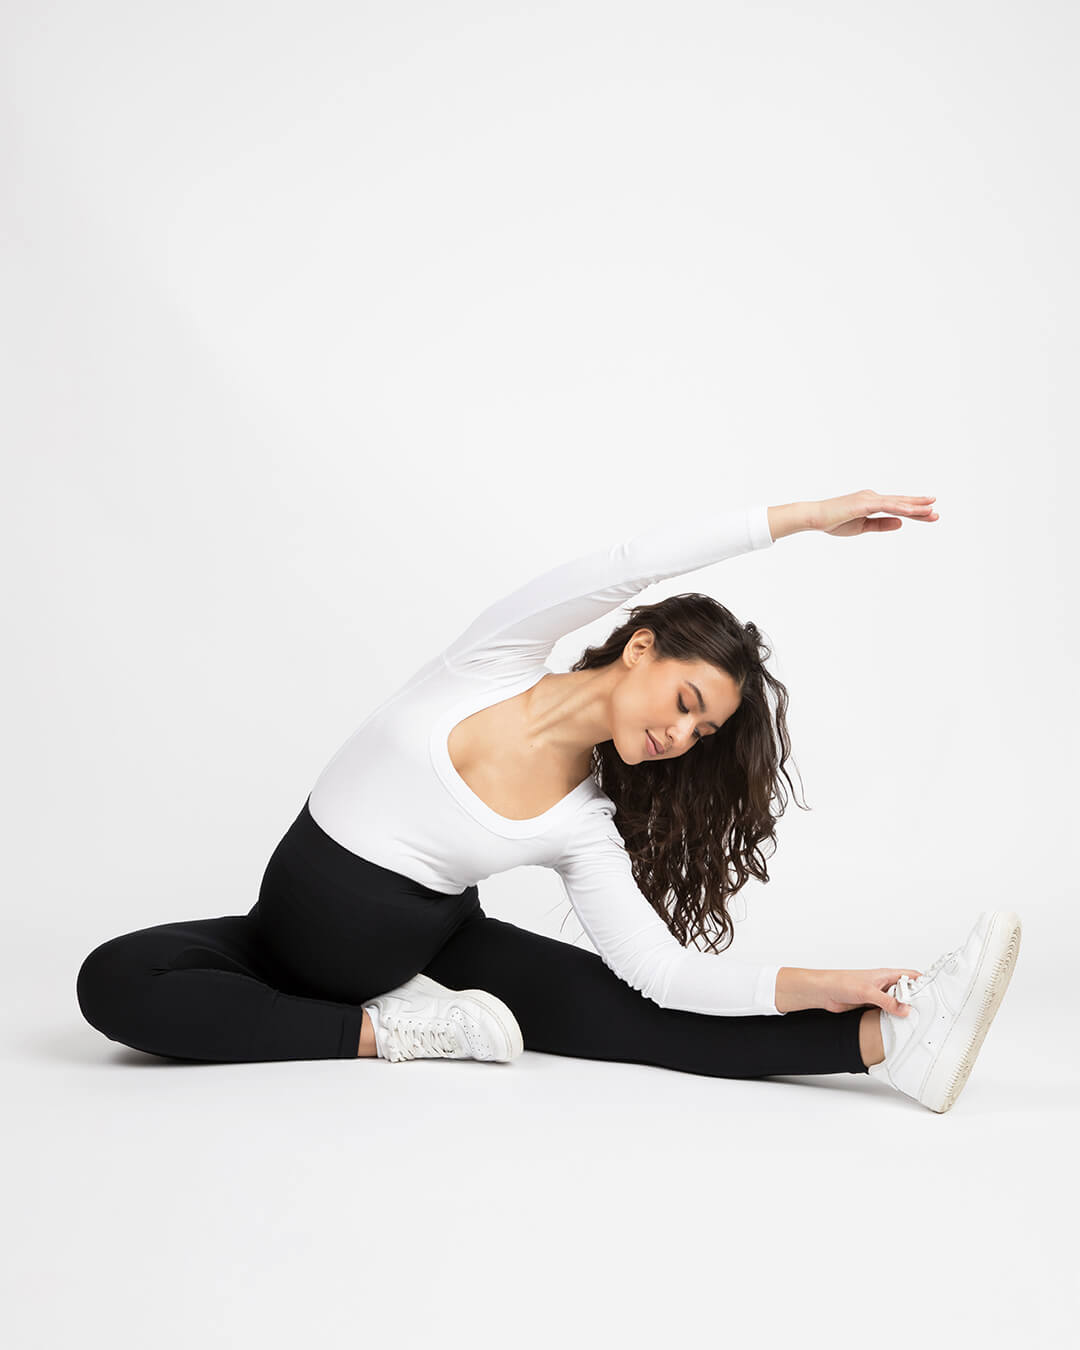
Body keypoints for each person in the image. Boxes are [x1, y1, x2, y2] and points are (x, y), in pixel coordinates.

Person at [75, 487, 1021, 1114]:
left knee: (637, 1022)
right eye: (686, 702)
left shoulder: (583, 823)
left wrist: (831, 985)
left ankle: (893, 1042)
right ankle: (393, 1030)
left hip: (433, 948)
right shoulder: (489, 662)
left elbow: (666, 976)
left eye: (702, 734)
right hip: (271, 944)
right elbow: (633, 558)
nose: (682, 735)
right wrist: (808, 516)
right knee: (113, 982)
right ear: (641, 647)